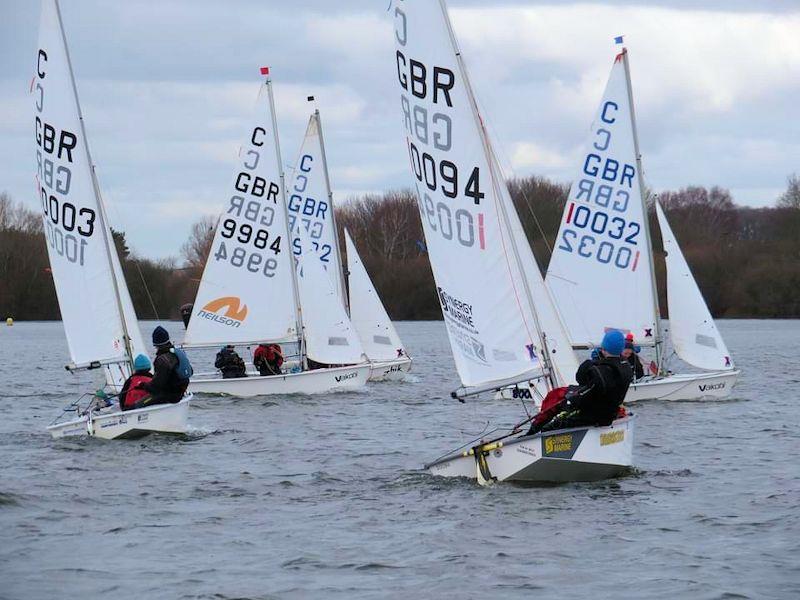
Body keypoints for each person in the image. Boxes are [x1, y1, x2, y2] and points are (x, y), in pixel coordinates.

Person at [529, 329, 633, 434]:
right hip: (609, 414)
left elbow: (581, 382)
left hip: (590, 417)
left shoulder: (597, 370)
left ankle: (533, 432)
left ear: (604, 348)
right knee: (562, 396)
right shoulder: (626, 367)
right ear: (621, 349)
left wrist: (569, 400)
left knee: (554, 401)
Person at [136, 326, 193, 405]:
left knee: (137, 404)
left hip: (169, 396)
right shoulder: (178, 353)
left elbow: (156, 387)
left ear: (155, 343)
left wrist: (142, 385)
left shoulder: (162, 360)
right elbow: (191, 372)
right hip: (180, 394)